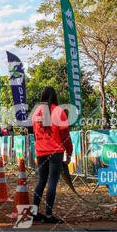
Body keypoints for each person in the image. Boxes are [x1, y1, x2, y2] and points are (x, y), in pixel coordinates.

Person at [31, 86, 73, 224]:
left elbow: (36, 135)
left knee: (41, 181)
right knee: (52, 182)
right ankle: (49, 215)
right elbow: (65, 136)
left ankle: (34, 213)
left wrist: (40, 147)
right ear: (55, 96)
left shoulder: (36, 112)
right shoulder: (59, 111)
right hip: (56, 152)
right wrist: (69, 152)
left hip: (41, 151)